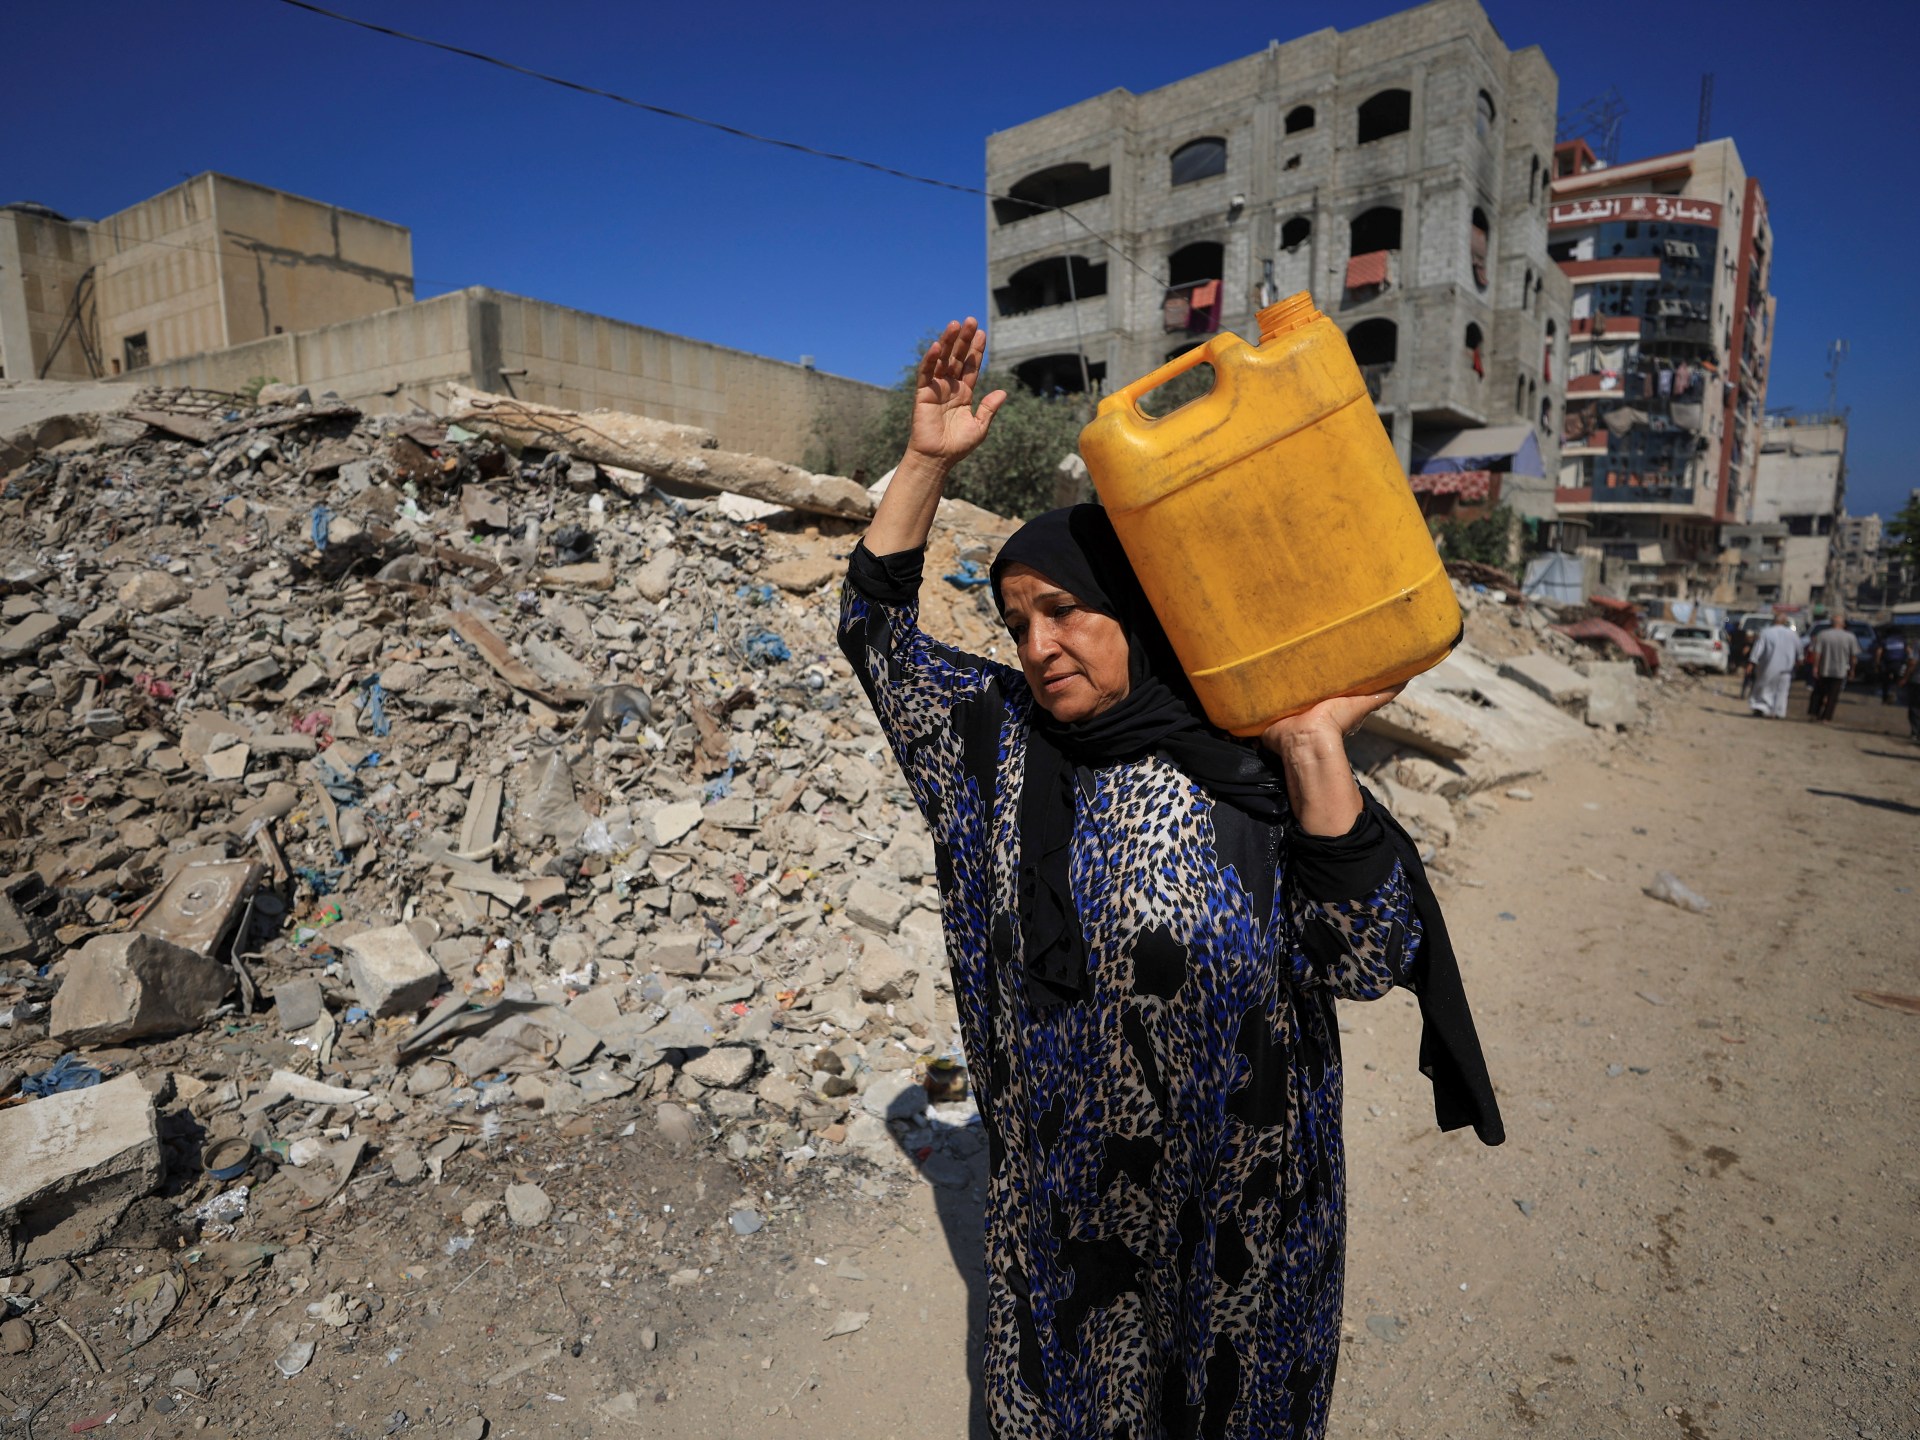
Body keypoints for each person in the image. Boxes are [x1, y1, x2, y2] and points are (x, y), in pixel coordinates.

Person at [838, 319, 1502, 1440]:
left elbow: (1369, 957)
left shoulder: (1246, 753)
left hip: (1244, 1216)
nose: (1037, 645)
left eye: (1064, 610)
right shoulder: (993, 746)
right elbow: (875, 634)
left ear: (1139, 609)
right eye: (1017, 622)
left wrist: (1312, 746)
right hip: (1063, 1216)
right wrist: (925, 462)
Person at [1804, 612, 1860, 723]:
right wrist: (1852, 670)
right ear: (1843, 624)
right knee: (1833, 695)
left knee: (1818, 692)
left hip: (1824, 669)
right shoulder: (1850, 637)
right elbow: (1853, 656)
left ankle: (1814, 713)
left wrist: (1815, 667)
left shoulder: (1822, 635)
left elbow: (1817, 653)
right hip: (1840, 670)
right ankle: (1826, 717)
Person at [1745, 616, 1800, 719]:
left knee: (1765, 687)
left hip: (1768, 666)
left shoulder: (1766, 633)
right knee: (1782, 691)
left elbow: (1758, 649)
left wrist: (1751, 663)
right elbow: (1799, 651)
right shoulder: (1793, 634)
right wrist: (1799, 662)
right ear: (1785, 622)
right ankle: (1778, 711)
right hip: (1786, 669)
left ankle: (1762, 708)